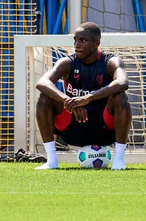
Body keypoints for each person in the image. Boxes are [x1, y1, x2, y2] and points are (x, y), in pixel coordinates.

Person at [35, 22, 132, 170]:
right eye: (75, 40)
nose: (77, 44)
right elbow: (42, 82)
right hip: (73, 126)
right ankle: (52, 160)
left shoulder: (110, 61)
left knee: (121, 97)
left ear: (96, 43)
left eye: (83, 40)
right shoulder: (67, 62)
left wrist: (88, 98)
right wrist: (69, 101)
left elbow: (123, 82)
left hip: (105, 128)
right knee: (45, 97)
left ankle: (119, 161)